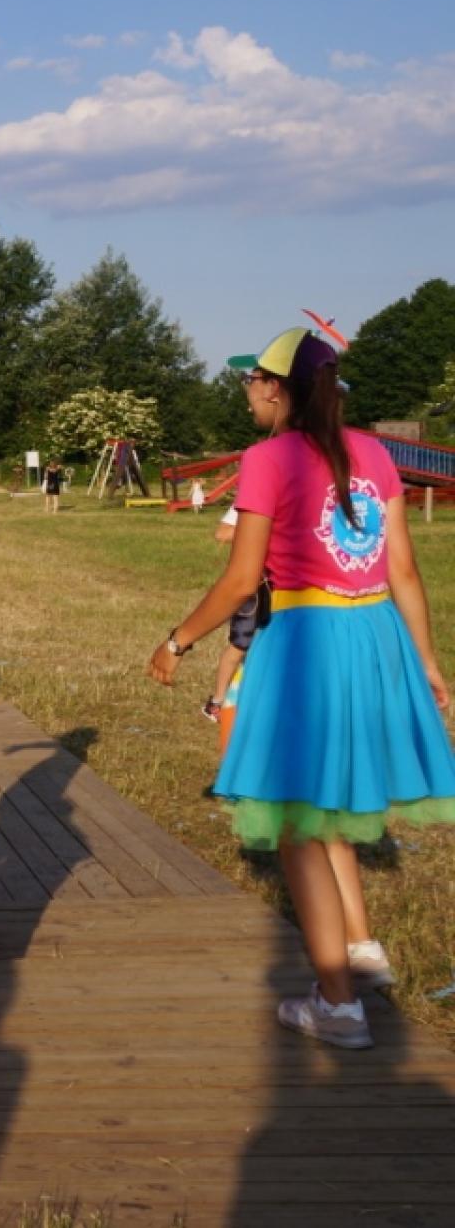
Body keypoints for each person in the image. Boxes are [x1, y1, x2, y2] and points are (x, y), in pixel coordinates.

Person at [149, 327, 455, 1050]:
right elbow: (403, 571)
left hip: (307, 639)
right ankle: (360, 952)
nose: (248, 392)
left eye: (253, 380)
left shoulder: (268, 458)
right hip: (374, 633)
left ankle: (338, 1005)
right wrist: (427, 661)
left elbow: (239, 578)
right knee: (333, 801)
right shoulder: (374, 452)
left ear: (275, 388)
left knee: (294, 821)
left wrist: (177, 640)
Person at [202, 507, 267, 760]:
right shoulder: (247, 504)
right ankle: (216, 703)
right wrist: (258, 526)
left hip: (278, 586)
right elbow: (222, 533)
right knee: (240, 645)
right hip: (250, 585)